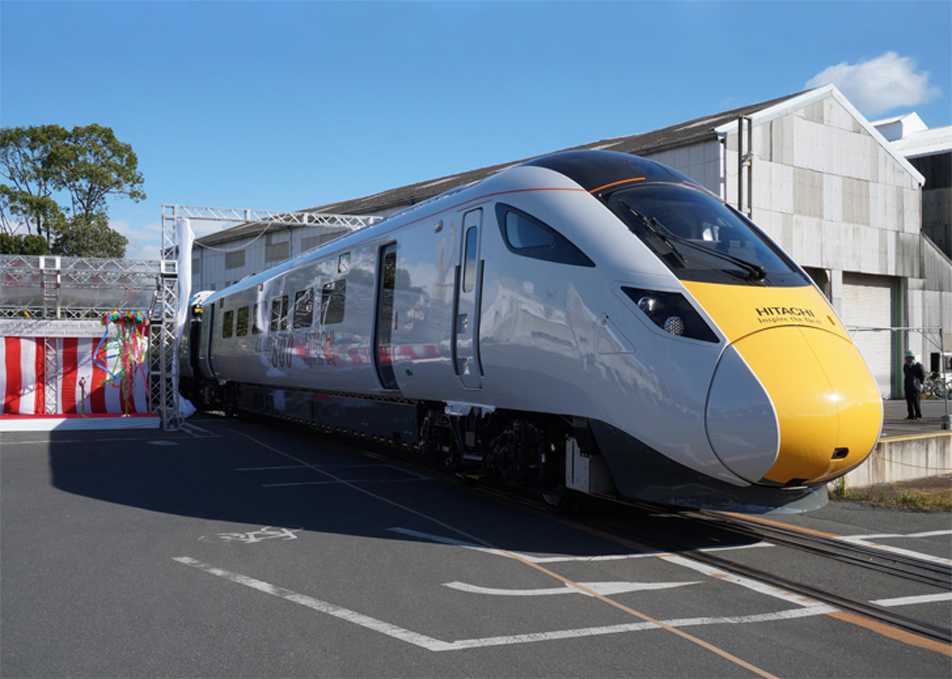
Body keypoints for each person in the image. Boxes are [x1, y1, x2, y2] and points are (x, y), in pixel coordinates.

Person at [902, 350, 925, 420]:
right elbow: (905, 373)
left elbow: (922, 375)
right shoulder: (906, 365)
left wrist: (920, 383)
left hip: (915, 387)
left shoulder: (918, 366)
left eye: (907, 357)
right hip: (907, 386)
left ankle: (918, 415)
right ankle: (910, 415)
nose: (906, 359)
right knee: (909, 402)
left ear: (912, 358)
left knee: (916, 402)